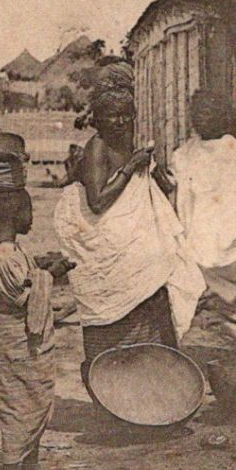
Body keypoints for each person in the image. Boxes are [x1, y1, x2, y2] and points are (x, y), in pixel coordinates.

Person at [54, 60, 203, 395]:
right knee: (121, 312)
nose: (119, 122)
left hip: (133, 245)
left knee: (155, 298)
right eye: (111, 115)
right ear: (98, 118)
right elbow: (97, 201)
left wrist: (153, 175)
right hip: (110, 245)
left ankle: (158, 388)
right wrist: (131, 168)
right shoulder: (98, 147)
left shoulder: (127, 140)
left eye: (125, 115)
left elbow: (140, 186)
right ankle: (115, 390)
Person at [0, 133, 65, 470]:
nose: (33, 215)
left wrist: (43, 269)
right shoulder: (3, 256)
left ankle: (31, 464)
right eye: (29, 209)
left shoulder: (13, 251)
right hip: (13, 343)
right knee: (17, 404)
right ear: (13, 212)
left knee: (36, 398)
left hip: (27, 344)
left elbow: (27, 279)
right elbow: (22, 295)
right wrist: (49, 276)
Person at [167, 89, 236, 349]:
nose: (202, 118)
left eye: (208, 112)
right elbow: (178, 198)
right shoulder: (182, 155)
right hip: (195, 234)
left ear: (221, 116)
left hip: (231, 237)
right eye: (197, 113)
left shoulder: (234, 151)